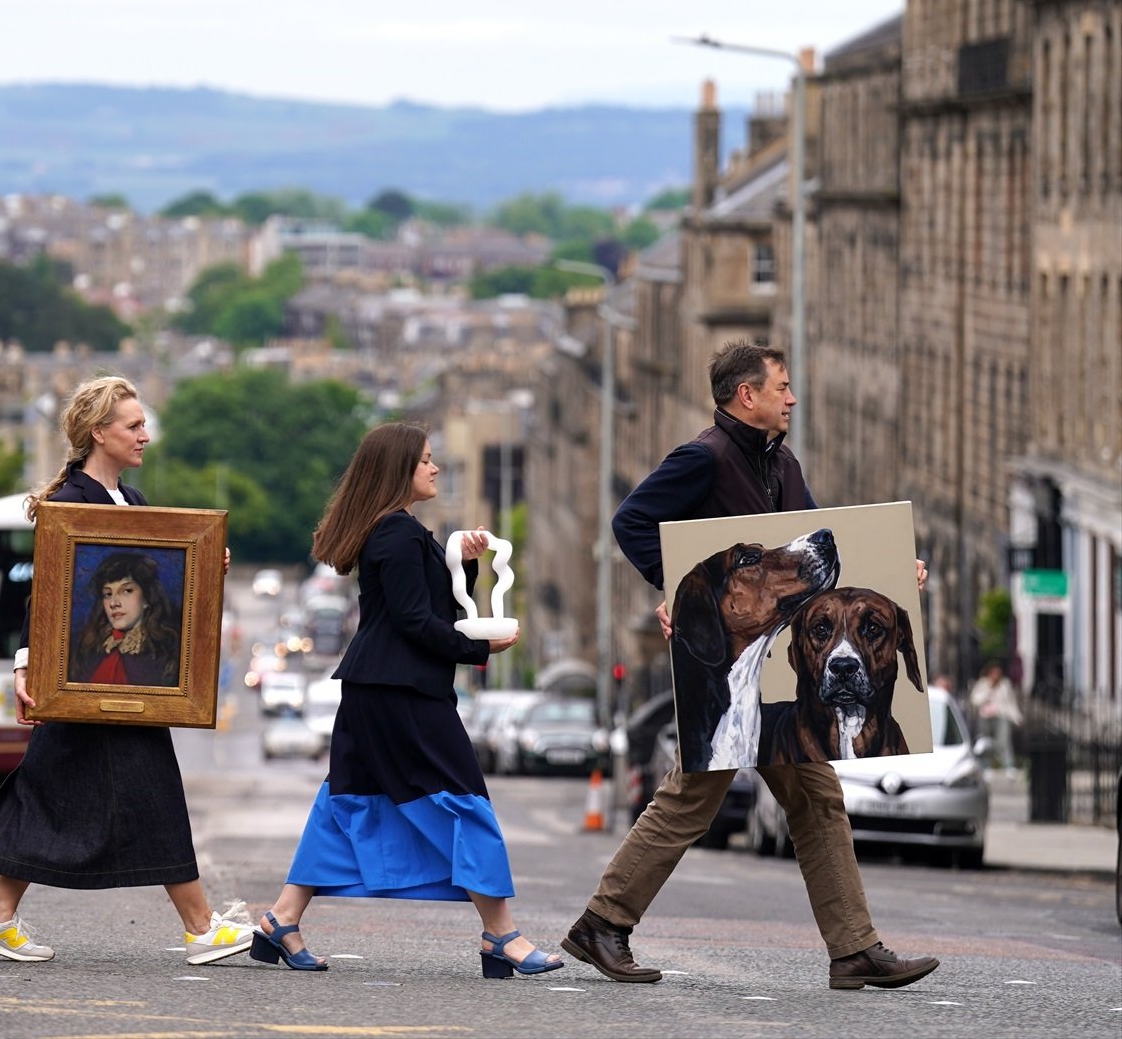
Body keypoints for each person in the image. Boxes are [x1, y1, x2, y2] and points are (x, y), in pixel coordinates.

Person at [562, 341, 938, 991]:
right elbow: (632, 524)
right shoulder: (702, 458)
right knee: (689, 801)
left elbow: (821, 552)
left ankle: (854, 949)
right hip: (726, 671)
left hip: (772, 676)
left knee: (818, 800)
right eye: (782, 387)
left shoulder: (782, 465)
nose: (791, 398)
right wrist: (683, 594)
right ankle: (602, 922)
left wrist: (891, 576)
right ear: (748, 396)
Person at [245, 423, 559, 978]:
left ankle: (281, 919)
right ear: (399, 471)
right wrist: (476, 646)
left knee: (349, 803)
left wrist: (458, 559)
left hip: (380, 690)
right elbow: (416, 621)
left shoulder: (398, 531)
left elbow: (416, 603)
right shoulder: (396, 534)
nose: (436, 469)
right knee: (465, 800)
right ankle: (501, 935)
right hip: (400, 694)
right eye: (426, 461)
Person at [0, 376, 254, 965]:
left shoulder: (135, 503)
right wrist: (25, 666)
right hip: (86, 678)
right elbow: (45, 597)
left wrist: (205, 564)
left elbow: (164, 594)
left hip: (122, 679)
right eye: (133, 426)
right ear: (100, 433)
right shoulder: (70, 502)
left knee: (50, 792)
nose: (145, 435)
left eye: (144, 424)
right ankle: (200, 928)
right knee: (131, 792)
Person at [67, 550, 184, 687]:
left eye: (126, 591)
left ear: (146, 598)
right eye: (107, 594)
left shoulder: (171, 652)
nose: (114, 603)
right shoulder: (86, 650)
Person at [968, 663, 1022, 772]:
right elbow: (974, 700)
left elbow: (1010, 702)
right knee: (985, 742)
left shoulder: (1005, 684)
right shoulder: (983, 683)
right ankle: (986, 767)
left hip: (1001, 716)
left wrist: (1017, 717)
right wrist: (989, 689)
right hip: (985, 717)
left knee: (1003, 740)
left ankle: (1008, 766)